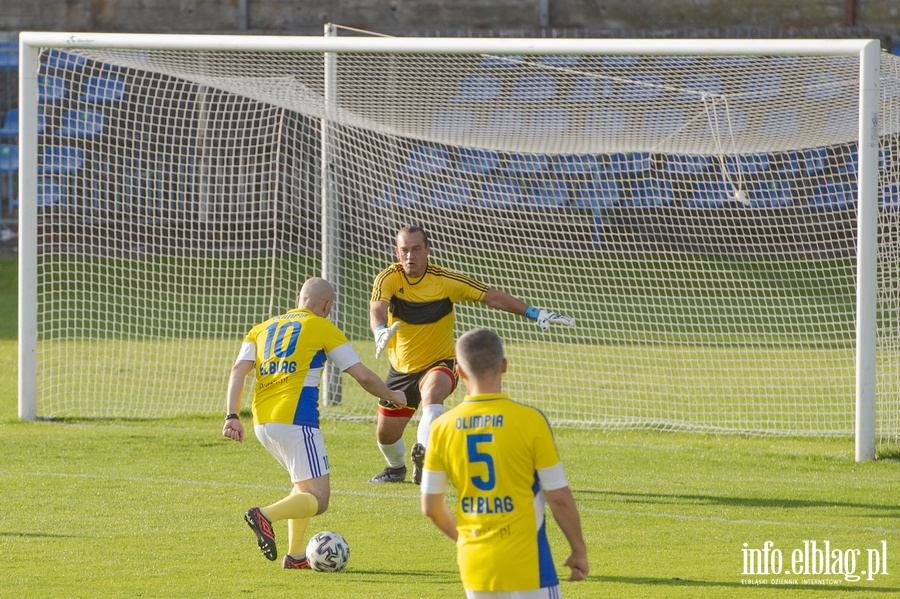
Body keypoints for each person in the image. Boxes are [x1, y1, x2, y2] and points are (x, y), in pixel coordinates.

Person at [368, 225, 574, 485]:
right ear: (397, 252)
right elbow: (377, 308)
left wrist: (535, 313)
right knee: (386, 435)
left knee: (432, 392)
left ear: (428, 250)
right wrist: (380, 331)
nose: (410, 256)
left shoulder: (446, 281)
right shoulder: (388, 278)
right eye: (404, 250)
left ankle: (426, 458)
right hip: (401, 369)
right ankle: (396, 469)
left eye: (416, 249)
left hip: (440, 362)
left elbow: (492, 297)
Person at [222, 277, 406, 569]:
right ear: (327, 307)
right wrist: (392, 395)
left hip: (262, 423)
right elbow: (363, 376)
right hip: (297, 421)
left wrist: (232, 415)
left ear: (299, 298)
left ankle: (296, 557)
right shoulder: (321, 326)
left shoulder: (261, 328)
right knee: (319, 499)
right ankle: (265, 515)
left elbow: (238, 370)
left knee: (303, 488)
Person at [420, 327, 589, 597]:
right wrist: (579, 550)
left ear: (460, 373)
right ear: (504, 365)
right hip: (530, 568)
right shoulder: (530, 421)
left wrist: (465, 540)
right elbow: (558, 496)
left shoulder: (441, 428)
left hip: (476, 567)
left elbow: (430, 507)